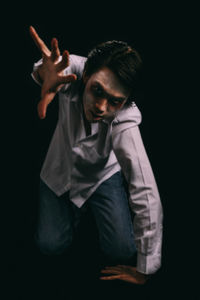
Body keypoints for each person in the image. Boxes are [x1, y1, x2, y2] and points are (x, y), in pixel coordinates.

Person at [29, 26, 163, 285]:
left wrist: (145, 268)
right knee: (49, 244)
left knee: (122, 251)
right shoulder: (75, 72)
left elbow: (146, 192)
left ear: (125, 101)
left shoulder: (126, 122)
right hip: (58, 170)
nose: (101, 107)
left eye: (115, 101)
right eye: (97, 91)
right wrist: (43, 73)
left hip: (102, 176)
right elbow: (49, 69)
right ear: (86, 75)